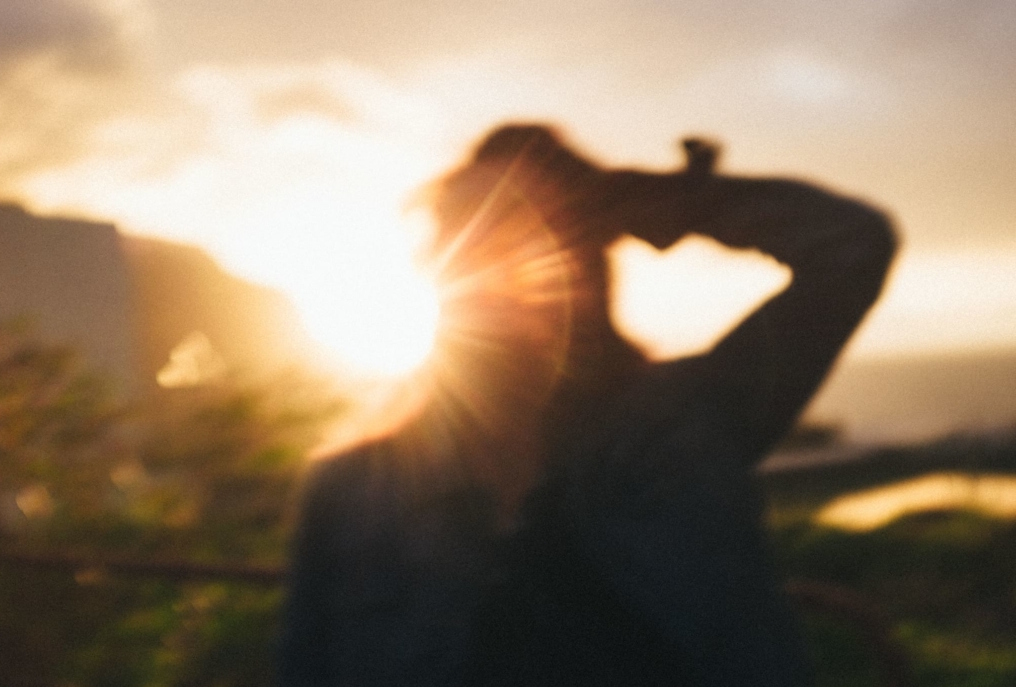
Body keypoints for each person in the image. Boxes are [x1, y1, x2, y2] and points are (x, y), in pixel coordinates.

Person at [278, 124, 897, 686]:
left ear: (582, 273)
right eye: (469, 238)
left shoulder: (679, 422)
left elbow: (849, 245)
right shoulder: (351, 491)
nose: (495, 267)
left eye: (529, 237)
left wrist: (629, 199)